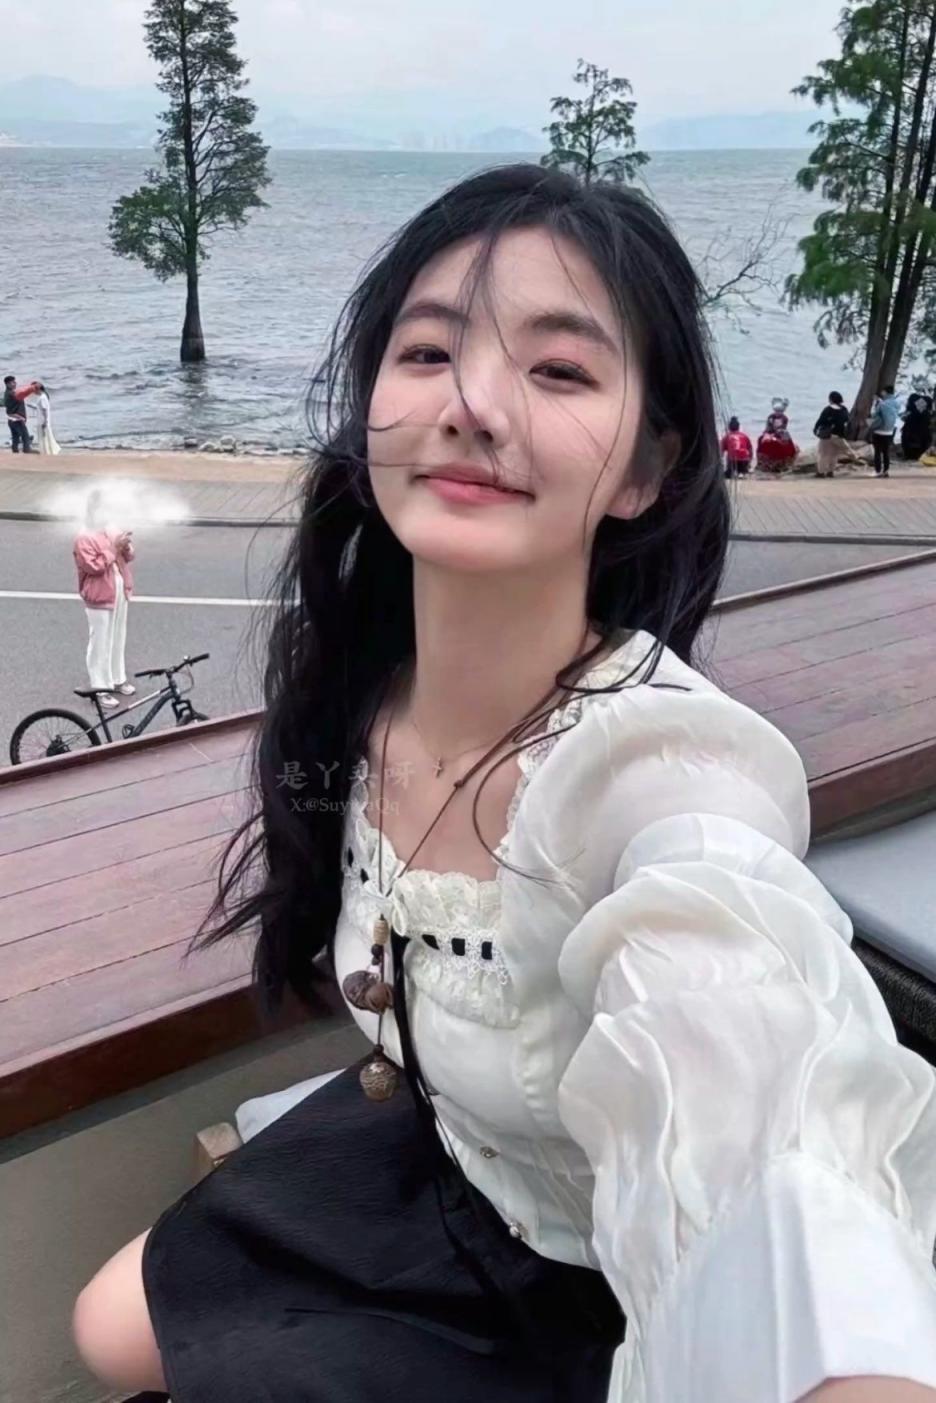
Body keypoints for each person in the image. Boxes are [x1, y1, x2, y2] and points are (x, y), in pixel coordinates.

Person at [72, 166, 936, 1403]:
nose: (473, 402)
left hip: (584, 1285)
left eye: (561, 369)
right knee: (106, 1327)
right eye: (428, 352)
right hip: (441, 1146)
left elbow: (759, 1095)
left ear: (647, 469)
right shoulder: (362, 688)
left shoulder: (662, 768)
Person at [73, 490, 136, 709]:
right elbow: (94, 567)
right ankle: (100, 688)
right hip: (98, 595)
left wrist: (125, 546)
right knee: (100, 641)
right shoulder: (84, 537)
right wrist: (113, 548)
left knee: (118, 636)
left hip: (119, 591)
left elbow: (129, 556)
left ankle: (118, 679)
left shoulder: (111, 529)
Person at [813, 390, 853, 478]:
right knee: (834, 454)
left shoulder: (828, 409)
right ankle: (830, 471)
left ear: (831, 399)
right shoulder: (844, 409)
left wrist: (815, 429)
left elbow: (820, 421)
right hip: (839, 435)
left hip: (827, 434)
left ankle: (821, 472)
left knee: (823, 454)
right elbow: (847, 421)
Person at [756, 395, 798, 472]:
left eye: (779, 411)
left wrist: (779, 431)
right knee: (760, 439)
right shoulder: (771, 417)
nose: (778, 413)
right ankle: (760, 460)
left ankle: (790, 456)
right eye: (776, 411)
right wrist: (768, 433)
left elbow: (783, 427)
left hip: (781, 432)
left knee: (787, 440)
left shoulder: (784, 418)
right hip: (770, 432)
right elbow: (768, 427)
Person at [4, 373, 39, 453]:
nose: (15, 383)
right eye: (13, 382)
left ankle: (15, 451)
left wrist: (30, 386)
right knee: (25, 435)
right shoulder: (11, 393)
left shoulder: (8, 393)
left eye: (14, 382)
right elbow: (22, 393)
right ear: (8, 384)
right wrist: (32, 388)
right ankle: (27, 450)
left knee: (15, 437)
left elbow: (21, 391)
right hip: (17, 419)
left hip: (11, 419)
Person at [870, 384, 900, 476]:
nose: (882, 393)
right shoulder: (897, 404)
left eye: (883, 391)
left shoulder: (882, 404)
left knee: (877, 452)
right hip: (890, 431)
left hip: (879, 430)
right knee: (886, 452)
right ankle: (886, 471)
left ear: (885, 392)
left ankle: (878, 471)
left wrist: (875, 404)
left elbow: (874, 414)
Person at [901, 389, 933, 462]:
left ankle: (909, 455)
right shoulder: (926, 413)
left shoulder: (912, 413)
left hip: (912, 441)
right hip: (922, 442)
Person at [31, 382, 61, 455]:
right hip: (41, 420)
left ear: (38, 389)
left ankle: (48, 451)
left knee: (44, 436)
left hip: (43, 421)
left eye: (33, 390)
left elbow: (44, 410)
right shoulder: (41, 397)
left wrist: (45, 421)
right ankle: (46, 450)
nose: (33, 392)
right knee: (45, 436)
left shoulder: (42, 398)